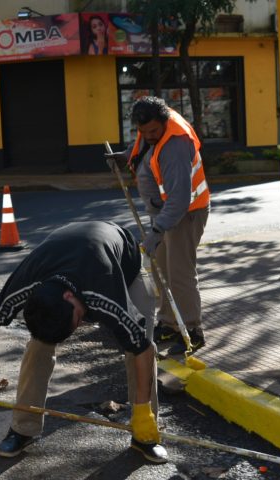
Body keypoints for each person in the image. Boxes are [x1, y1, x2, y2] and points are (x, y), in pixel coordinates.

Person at [0, 221, 167, 463]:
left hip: (125, 266)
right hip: (64, 251)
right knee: (38, 344)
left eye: (76, 321)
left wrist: (141, 409)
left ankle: (146, 431)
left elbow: (143, 351)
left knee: (138, 343)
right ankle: (23, 428)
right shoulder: (26, 282)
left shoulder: (106, 296)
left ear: (70, 297)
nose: (79, 326)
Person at [107, 96, 210, 356]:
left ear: (163, 123)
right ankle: (169, 323)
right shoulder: (152, 129)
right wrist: (127, 155)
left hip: (185, 214)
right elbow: (145, 145)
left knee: (179, 273)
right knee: (160, 268)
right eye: (143, 131)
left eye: (153, 131)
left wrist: (157, 230)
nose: (148, 135)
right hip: (164, 212)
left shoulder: (175, 147)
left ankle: (192, 330)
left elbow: (179, 200)